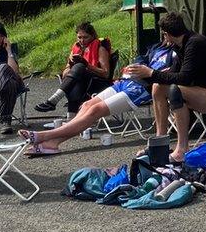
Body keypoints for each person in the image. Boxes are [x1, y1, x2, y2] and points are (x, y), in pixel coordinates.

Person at [18, 44, 175, 156]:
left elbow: (167, 75)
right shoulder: (157, 47)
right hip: (126, 82)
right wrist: (135, 66)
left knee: (94, 110)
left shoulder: (176, 54)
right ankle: (53, 143)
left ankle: (45, 136)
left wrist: (149, 72)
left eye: (167, 34)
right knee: (86, 104)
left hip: (141, 89)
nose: (165, 37)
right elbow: (142, 58)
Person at [124, 12, 206, 164]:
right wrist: (147, 75)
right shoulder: (181, 45)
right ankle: (161, 143)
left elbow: (184, 78)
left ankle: (182, 149)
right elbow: (173, 73)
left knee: (175, 90)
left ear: (166, 34)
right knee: (158, 87)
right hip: (202, 92)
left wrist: (151, 72)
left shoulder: (195, 43)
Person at [34, 22, 111, 118]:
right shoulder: (76, 48)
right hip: (79, 84)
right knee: (74, 78)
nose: (82, 40)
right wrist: (71, 66)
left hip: (97, 83)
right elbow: (65, 74)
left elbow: (106, 73)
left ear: (92, 36)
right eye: (79, 37)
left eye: (85, 37)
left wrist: (86, 65)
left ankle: (54, 101)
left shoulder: (100, 48)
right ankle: (71, 120)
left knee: (79, 67)